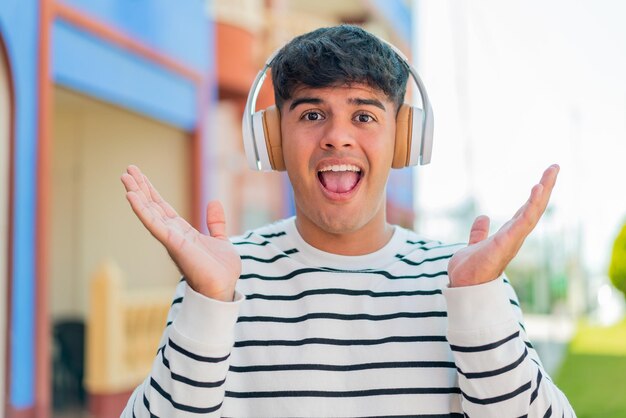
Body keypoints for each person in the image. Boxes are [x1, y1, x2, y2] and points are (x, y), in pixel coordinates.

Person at [120, 25, 575, 417]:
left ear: (404, 139)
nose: (337, 137)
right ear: (272, 139)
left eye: (364, 116)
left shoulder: (468, 281)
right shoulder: (219, 281)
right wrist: (208, 308)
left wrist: (479, 310)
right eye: (312, 114)